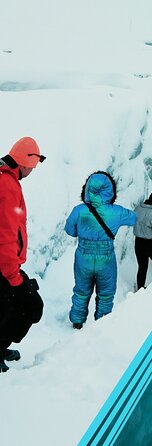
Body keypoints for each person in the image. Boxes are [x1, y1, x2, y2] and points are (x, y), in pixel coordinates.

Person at [65, 171, 136, 329]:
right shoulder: (116, 211)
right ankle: (101, 325)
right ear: (110, 191)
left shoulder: (79, 210)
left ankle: (77, 321)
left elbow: (69, 230)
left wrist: (84, 231)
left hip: (83, 257)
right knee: (105, 293)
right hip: (106, 258)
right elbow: (133, 218)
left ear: (87, 188)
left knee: (82, 290)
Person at [0, 137, 45, 373]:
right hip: (4, 265)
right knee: (31, 306)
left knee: (5, 307)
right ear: (25, 162)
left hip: (5, 263)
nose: (33, 171)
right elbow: (6, 233)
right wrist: (12, 274)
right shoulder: (7, 184)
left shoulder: (5, 177)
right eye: (33, 166)